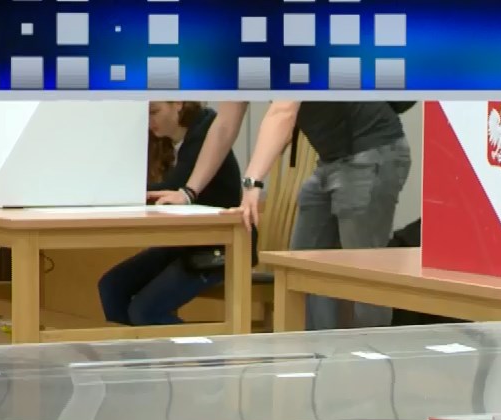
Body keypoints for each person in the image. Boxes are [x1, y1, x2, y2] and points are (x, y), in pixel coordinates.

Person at [158, 100, 412, 330]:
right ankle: (318, 352)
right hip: (331, 161)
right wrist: (189, 192)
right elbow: (224, 125)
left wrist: (252, 183)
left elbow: (283, 112)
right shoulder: (240, 66)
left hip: (372, 151)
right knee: (303, 268)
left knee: (365, 275)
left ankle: (374, 355)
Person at [97, 101, 245, 326]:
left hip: (218, 247)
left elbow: (176, 188)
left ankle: (205, 350)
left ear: (177, 104)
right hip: (184, 243)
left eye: (154, 112)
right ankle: (138, 348)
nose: (149, 121)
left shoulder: (205, 129)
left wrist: (120, 190)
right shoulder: (168, 141)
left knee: (145, 311)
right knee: (111, 286)